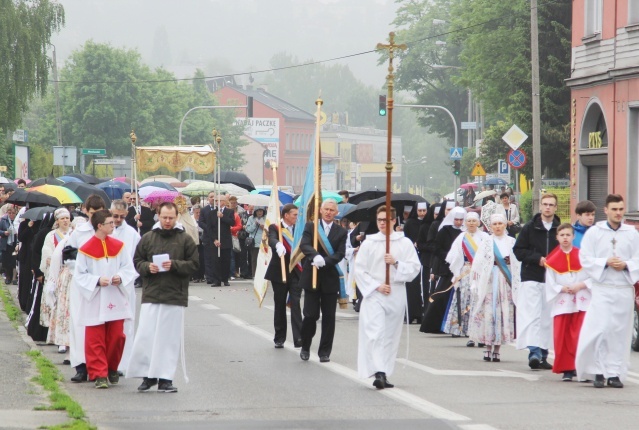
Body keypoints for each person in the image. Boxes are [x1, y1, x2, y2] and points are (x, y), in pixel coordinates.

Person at [128, 202, 199, 393]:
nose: (167, 221)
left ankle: (165, 378)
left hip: (174, 295)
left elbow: (194, 264)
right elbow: (137, 261)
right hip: (152, 293)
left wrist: (174, 265)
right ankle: (148, 376)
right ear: (158, 216)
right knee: (147, 336)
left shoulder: (185, 239)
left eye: (171, 217)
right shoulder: (148, 237)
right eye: (164, 217)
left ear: (176, 217)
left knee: (168, 340)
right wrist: (146, 268)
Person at [576, 194, 639, 388]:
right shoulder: (595, 232)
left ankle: (614, 372)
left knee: (619, 333)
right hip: (603, 288)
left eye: (621, 209)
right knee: (600, 330)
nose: (618, 213)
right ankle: (598, 371)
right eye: (614, 209)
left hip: (623, 288)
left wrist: (626, 265)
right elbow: (585, 258)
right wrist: (605, 262)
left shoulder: (632, 233)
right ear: (606, 210)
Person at [355, 206, 420, 389]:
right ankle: (378, 372)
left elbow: (415, 267)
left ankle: (385, 371)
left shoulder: (404, 243)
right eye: (379, 220)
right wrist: (376, 286)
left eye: (386, 220)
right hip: (375, 293)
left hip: (396, 292)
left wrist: (396, 263)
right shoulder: (369, 243)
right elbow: (359, 270)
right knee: (375, 333)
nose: (382, 223)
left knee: (390, 335)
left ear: (394, 221)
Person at [74, 209, 136, 389]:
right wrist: (96, 281)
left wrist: (121, 278)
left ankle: (112, 367)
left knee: (117, 336)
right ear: (99, 226)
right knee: (95, 338)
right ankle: (99, 373)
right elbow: (79, 275)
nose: (113, 225)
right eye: (110, 222)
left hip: (115, 297)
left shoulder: (119, 246)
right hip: (95, 298)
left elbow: (128, 268)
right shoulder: (85, 249)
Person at [513, 193, 560, 370]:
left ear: (556, 208)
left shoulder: (559, 229)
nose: (548, 207)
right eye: (545, 204)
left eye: (551, 205)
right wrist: (537, 258)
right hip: (531, 276)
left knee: (547, 317)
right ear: (540, 206)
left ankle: (544, 354)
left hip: (552, 279)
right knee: (532, 316)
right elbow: (518, 251)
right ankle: (534, 352)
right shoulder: (530, 228)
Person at [299, 199, 347, 363]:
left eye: (332, 210)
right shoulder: (311, 227)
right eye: (326, 209)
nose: (328, 212)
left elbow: (340, 253)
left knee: (329, 317)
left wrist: (325, 261)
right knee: (310, 315)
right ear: (320, 210)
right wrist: (315, 256)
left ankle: (324, 351)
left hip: (329, 278)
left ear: (336, 213)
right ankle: (305, 346)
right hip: (311, 276)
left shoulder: (341, 231)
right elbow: (304, 245)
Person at [468, 214, 520, 362]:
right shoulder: (486, 242)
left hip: (505, 281)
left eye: (500, 223)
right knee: (489, 312)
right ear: (490, 227)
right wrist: (476, 282)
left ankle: (497, 348)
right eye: (495, 224)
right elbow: (478, 262)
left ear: (505, 225)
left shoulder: (511, 242)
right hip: (489, 281)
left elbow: (517, 263)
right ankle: (487, 347)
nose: (497, 226)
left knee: (503, 313)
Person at [67, 194, 107, 383]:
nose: (95, 218)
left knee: (101, 326)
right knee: (79, 325)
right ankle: (81, 365)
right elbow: (68, 256)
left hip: (103, 286)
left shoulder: (108, 231)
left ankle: (100, 365)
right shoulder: (79, 232)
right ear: (86, 211)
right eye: (92, 214)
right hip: (82, 285)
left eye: (99, 214)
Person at [545, 223, 590, 382]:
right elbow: (550, 283)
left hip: (582, 300)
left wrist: (580, 285)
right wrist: (561, 288)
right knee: (562, 336)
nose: (565, 238)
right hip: (563, 302)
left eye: (568, 235)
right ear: (557, 237)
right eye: (562, 235)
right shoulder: (551, 259)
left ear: (573, 236)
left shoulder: (583, 256)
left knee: (580, 335)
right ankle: (567, 369)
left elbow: (593, 277)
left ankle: (582, 366)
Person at [442, 212, 489, 343]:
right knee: (463, 298)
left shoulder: (485, 237)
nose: (472, 223)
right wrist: (457, 273)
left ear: (479, 222)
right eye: (469, 221)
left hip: (479, 272)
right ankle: (459, 327)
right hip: (466, 270)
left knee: (478, 298)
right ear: (465, 222)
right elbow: (455, 255)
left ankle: (477, 330)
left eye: (474, 221)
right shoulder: (461, 237)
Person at [421, 206, 466, 333]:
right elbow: (436, 247)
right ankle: (433, 325)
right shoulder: (444, 230)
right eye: (456, 219)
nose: (458, 222)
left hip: (464, 269)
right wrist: (448, 256)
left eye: (461, 220)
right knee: (442, 296)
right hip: (448, 267)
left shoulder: (466, 232)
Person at [109, 199, 141, 375]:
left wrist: (124, 277)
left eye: (121, 216)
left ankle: (123, 363)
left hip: (125, 284)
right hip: (106, 283)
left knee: (126, 324)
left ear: (126, 215)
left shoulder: (132, 234)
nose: (118, 219)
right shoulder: (105, 230)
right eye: (115, 216)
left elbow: (136, 260)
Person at [264, 203, 302, 348]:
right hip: (279, 272)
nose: (296, 217)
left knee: (296, 303)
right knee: (280, 304)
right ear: (286, 215)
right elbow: (271, 238)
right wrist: (278, 245)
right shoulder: (276, 228)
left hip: (296, 272)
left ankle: (299, 337)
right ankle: (279, 337)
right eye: (294, 215)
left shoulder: (299, 229)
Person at [39, 208, 72, 350]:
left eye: (67, 218)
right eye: (62, 218)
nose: (65, 221)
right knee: (57, 305)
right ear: (57, 221)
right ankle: (58, 338)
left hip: (69, 274)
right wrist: (54, 260)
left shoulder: (74, 234)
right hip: (55, 273)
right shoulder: (51, 235)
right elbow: (46, 252)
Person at [402, 202, 428, 324]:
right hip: (412, 256)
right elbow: (405, 239)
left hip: (424, 256)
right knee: (412, 286)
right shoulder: (410, 223)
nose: (422, 213)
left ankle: (422, 313)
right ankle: (411, 313)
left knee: (423, 286)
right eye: (420, 211)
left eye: (424, 211)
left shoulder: (429, 223)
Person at [211, 195, 234, 286]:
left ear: (224, 201)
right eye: (216, 201)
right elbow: (210, 227)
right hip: (216, 240)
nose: (217, 202)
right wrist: (214, 239)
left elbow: (232, 222)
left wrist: (223, 217)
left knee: (226, 260)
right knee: (216, 261)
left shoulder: (229, 211)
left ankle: (225, 279)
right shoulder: (212, 213)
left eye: (219, 201)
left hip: (226, 240)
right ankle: (216, 280)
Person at [198, 192, 217, 284]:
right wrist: (208, 228)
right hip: (207, 237)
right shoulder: (204, 210)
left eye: (214, 197)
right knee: (208, 258)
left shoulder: (219, 209)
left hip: (218, 236)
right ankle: (209, 277)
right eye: (211, 197)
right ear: (208, 199)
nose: (213, 198)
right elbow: (200, 222)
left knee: (216, 257)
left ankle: (217, 276)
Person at [245, 207, 266, 280]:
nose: (260, 213)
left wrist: (263, 227)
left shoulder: (266, 218)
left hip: (264, 242)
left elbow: (269, 229)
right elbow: (248, 230)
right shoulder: (251, 218)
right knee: (254, 259)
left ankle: (264, 274)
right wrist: (255, 224)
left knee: (264, 259)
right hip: (254, 242)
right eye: (258, 211)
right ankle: (254, 274)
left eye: (261, 211)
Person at [0, 205, 18, 285]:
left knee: (14, 260)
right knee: (6, 261)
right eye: (9, 213)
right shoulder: (3, 220)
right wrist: (4, 233)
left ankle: (14, 277)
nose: (11, 214)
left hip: (15, 243)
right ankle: (8, 277)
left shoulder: (17, 221)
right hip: (6, 243)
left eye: (13, 213)